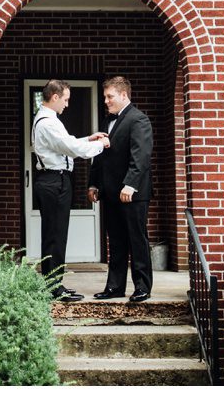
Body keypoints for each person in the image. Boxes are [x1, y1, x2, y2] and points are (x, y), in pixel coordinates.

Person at [31, 79, 111, 303]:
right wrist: (99, 145)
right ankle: (54, 287)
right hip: (54, 181)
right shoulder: (48, 122)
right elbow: (72, 149)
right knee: (55, 236)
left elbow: (65, 144)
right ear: (54, 97)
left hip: (54, 180)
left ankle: (53, 284)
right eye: (65, 100)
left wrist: (89, 138)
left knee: (55, 235)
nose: (67, 104)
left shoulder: (48, 120)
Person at [89, 76, 154, 303]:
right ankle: (115, 287)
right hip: (110, 192)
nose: (106, 101)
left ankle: (142, 287)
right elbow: (100, 156)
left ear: (123, 95)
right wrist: (94, 182)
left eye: (110, 96)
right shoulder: (107, 121)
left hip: (132, 193)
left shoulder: (139, 120)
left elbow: (141, 156)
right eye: (105, 97)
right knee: (115, 241)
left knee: (136, 239)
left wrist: (131, 185)